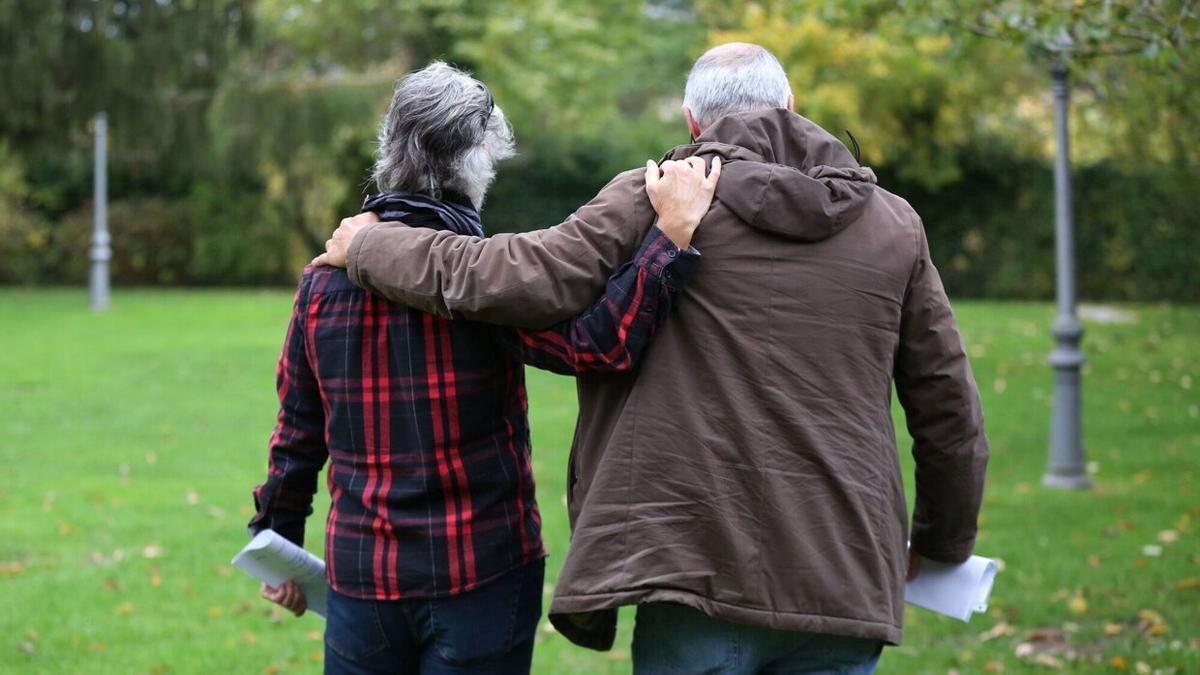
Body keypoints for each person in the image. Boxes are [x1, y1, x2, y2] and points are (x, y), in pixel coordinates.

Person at [315, 43, 989, 674]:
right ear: (791, 106)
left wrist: (371, 246)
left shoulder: (656, 193)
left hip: (690, 565)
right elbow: (950, 413)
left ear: (694, 121)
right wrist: (942, 544)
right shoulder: (895, 224)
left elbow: (514, 277)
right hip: (841, 573)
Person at [248, 61, 719, 675]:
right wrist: (670, 239)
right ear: (481, 156)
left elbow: (297, 433)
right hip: (482, 569)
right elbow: (602, 344)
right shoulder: (489, 282)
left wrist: (275, 543)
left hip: (364, 573)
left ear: (389, 147)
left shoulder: (322, 284)